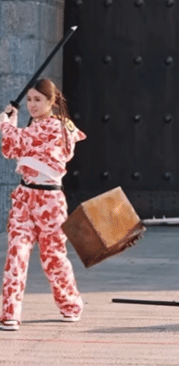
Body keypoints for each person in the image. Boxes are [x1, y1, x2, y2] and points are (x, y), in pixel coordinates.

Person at [0, 79, 86, 331]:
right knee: (16, 253)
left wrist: (5, 124)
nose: (32, 105)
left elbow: (21, 141)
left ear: (52, 101)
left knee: (53, 257)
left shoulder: (58, 127)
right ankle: (10, 313)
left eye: (38, 100)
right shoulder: (33, 127)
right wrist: (12, 123)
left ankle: (71, 305)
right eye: (29, 100)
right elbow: (10, 150)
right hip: (25, 197)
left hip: (50, 201)